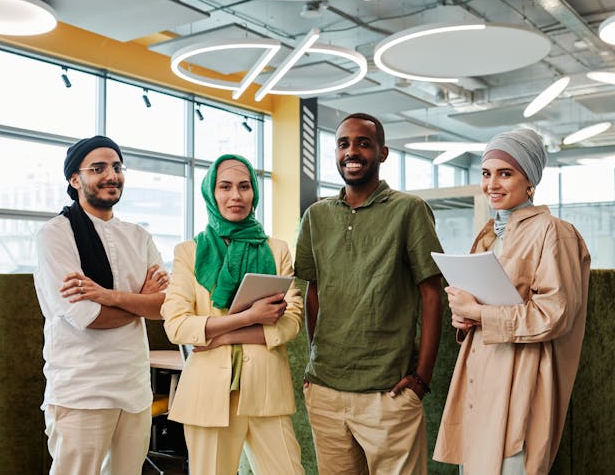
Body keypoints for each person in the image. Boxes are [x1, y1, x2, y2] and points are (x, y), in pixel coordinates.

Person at [433, 128, 591, 475]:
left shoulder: (554, 231)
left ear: (530, 181)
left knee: (511, 463)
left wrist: (479, 313)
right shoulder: (488, 233)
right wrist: (464, 316)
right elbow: (482, 303)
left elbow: (556, 313)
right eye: (486, 173)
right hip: (479, 369)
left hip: (522, 372)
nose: (492, 184)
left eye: (506, 173)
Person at [295, 112, 445, 474]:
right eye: (343, 144)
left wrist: (421, 379)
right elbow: (312, 292)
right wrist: (314, 360)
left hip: (389, 394)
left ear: (383, 153)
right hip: (326, 390)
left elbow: (432, 293)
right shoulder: (316, 216)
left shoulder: (409, 210)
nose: (352, 151)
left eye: (363, 143)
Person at [161, 154, 305, 475]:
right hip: (208, 395)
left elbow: (291, 322)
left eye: (244, 187)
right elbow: (177, 326)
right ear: (211, 193)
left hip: (267, 391)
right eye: (225, 187)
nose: (235, 196)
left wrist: (222, 335)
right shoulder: (189, 252)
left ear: (254, 192)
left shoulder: (276, 249)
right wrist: (247, 317)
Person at [34, 135, 169, 475]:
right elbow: (87, 315)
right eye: (98, 168)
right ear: (75, 179)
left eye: (117, 166)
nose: (111, 174)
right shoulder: (56, 234)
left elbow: (163, 306)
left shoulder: (140, 236)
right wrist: (141, 299)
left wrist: (109, 296)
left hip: (134, 388)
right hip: (81, 389)